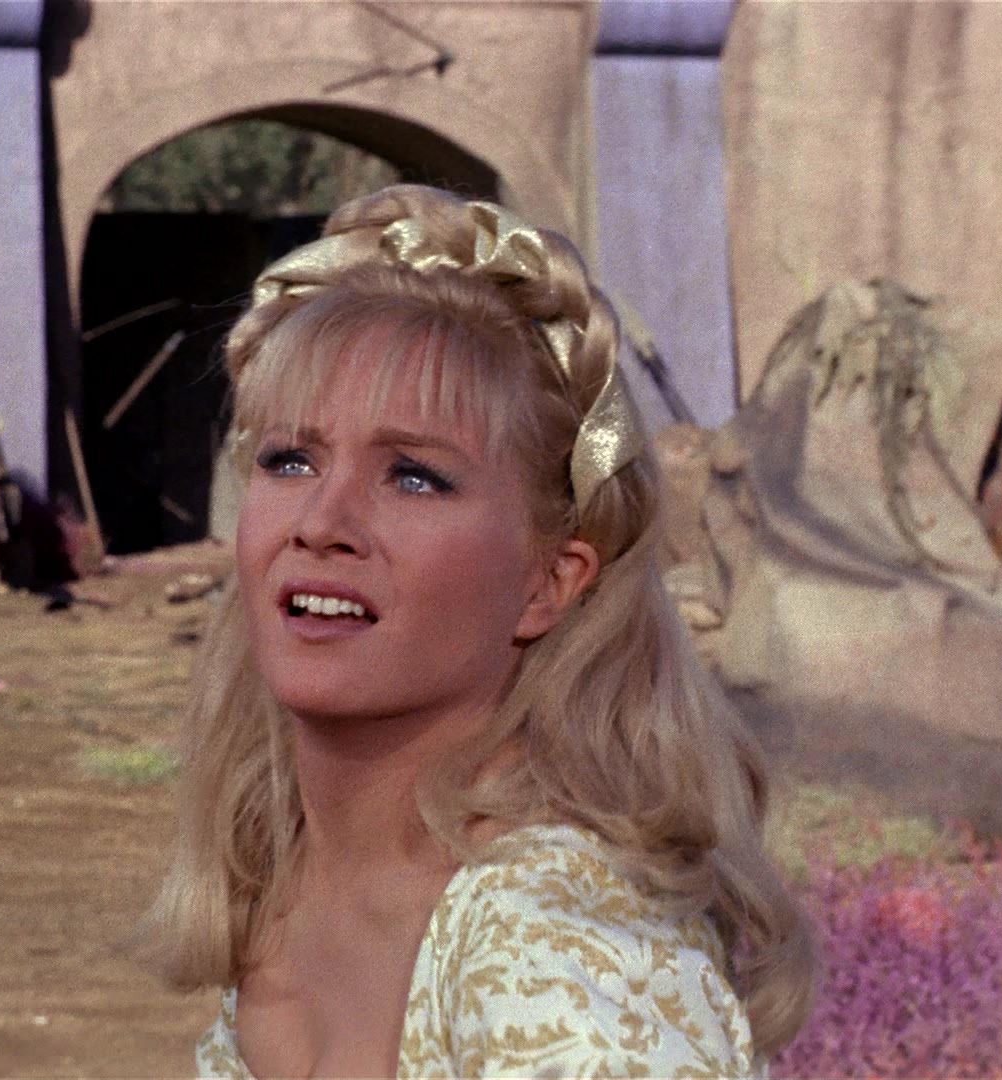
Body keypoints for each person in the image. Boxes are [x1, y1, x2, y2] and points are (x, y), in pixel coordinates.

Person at [147, 185, 815, 1079]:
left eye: (413, 477)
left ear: (549, 582)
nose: (321, 522)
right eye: (291, 459)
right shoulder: (283, 876)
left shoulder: (559, 948)